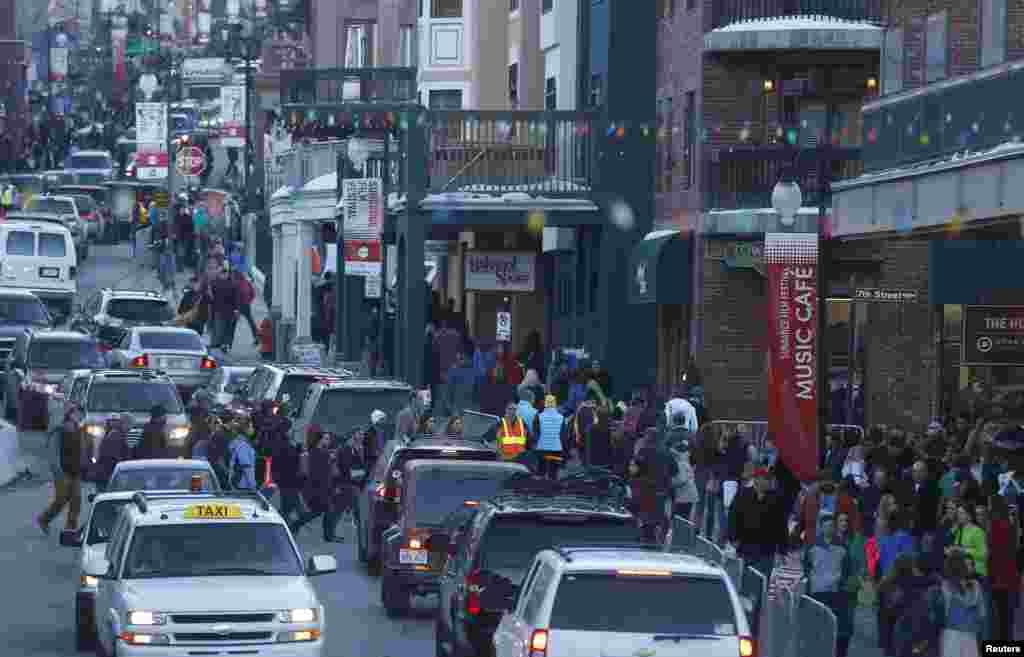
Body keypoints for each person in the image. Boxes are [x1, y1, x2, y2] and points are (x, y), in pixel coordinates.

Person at [802, 512, 853, 657]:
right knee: (818, 627)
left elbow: (847, 568)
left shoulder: (842, 546)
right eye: (826, 526)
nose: (829, 529)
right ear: (821, 528)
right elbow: (806, 566)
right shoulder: (812, 547)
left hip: (835, 593)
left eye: (831, 526)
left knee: (834, 626)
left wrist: (841, 582)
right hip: (817, 592)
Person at [727, 466, 788, 579]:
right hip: (746, 547)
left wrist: (782, 549)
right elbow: (733, 517)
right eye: (764, 478)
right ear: (756, 479)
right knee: (745, 581)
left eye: (768, 479)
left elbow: (781, 524)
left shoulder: (776, 498)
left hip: (767, 550)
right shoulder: (743, 494)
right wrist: (733, 538)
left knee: (762, 582)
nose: (767, 481)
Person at [928, 553, 989, 657]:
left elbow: (937, 616)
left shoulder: (943, 587)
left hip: (950, 636)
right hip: (971, 636)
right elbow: (982, 614)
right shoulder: (976, 586)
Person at [37, 405, 85, 535]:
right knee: (61, 499)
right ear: (70, 414)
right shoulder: (60, 430)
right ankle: (44, 519)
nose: (79, 416)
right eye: (77, 413)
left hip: (74, 471)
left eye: (81, 414)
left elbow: (80, 450)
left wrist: (83, 465)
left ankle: (70, 528)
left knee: (76, 500)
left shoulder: (78, 430)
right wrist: (58, 471)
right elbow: (53, 452)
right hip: (63, 472)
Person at [630, 427, 679, 543]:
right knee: (661, 515)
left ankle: (647, 538)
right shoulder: (667, 452)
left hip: (646, 490)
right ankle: (660, 538)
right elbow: (675, 471)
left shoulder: (643, 451)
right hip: (662, 490)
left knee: (647, 516)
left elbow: (634, 471)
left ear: (648, 438)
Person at [91, 415, 132, 491]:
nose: (130, 428)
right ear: (124, 424)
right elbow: (114, 457)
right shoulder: (116, 435)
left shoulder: (116, 434)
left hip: (106, 474)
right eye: (129, 425)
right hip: (108, 475)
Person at [532, 394, 566, 480]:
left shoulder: (538, 415)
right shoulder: (560, 416)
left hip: (543, 447)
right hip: (555, 447)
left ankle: (542, 487)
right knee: (552, 472)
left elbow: (535, 431)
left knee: (542, 471)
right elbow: (564, 435)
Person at [227, 419, 258, 490]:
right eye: (251, 427)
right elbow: (246, 466)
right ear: (245, 429)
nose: (252, 429)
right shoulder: (243, 445)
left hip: (240, 483)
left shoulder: (239, 442)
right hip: (243, 484)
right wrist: (252, 484)